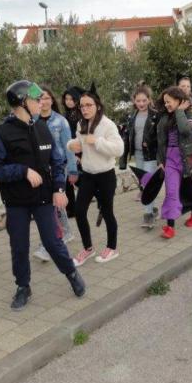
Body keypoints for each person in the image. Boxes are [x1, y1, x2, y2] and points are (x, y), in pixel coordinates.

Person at [0, 80, 85, 310]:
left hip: (43, 198)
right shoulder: (2, 133)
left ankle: (71, 273)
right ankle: (23, 287)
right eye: (37, 99)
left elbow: (57, 162)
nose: (42, 103)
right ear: (22, 102)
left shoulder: (42, 128)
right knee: (19, 246)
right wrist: (22, 171)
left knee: (53, 242)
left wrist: (59, 189)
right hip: (16, 202)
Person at [67, 85, 124, 266]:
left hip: (106, 175)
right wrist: (71, 145)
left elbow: (119, 149)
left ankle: (112, 248)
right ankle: (88, 248)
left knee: (107, 212)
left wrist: (97, 141)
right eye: (82, 106)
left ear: (97, 106)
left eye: (88, 105)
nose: (84, 109)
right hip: (88, 175)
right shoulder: (81, 124)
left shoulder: (108, 125)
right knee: (79, 211)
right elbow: (78, 143)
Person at [33, 86, 77, 262]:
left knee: (51, 204)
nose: (43, 102)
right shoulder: (32, 121)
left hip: (59, 168)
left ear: (52, 100)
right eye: (40, 98)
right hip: (39, 170)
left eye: (46, 98)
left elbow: (69, 147)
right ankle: (66, 232)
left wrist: (72, 170)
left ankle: (48, 244)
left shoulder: (61, 121)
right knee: (54, 204)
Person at [156, 86, 192, 239]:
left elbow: (185, 130)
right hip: (170, 159)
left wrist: (179, 111)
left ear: (179, 100)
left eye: (169, 101)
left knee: (191, 192)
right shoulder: (164, 118)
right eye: (165, 102)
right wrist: (160, 160)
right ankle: (170, 226)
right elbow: (160, 141)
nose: (166, 104)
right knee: (171, 192)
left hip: (187, 160)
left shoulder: (191, 114)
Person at [119, 84, 160, 229]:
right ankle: (153, 210)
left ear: (149, 99)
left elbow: (161, 137)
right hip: (137, 154)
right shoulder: (131, 116)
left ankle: (148, 216)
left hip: (151, 155)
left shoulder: (156, 115)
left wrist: (150, 143)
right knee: (144, 184)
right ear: (134, 101)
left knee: (148, 184)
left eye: (144, 100)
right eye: (138, 101)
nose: (141, 103)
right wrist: (123, 159)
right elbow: (127, 137)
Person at [61, 86, 85, 218]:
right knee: (68, 181)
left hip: (80, 152)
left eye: (72, 99)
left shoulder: (82, 115)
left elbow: (82, 137)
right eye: (66, 99)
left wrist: (78, 155)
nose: (69, 102)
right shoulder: (64, 116)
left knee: (82, 180)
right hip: (68, 151)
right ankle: (71, 208)